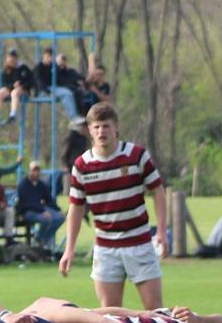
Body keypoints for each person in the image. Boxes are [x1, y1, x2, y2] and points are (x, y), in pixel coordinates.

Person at [59, 102, 168, 309]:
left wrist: (161, 231)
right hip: (106, 248)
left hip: (139, 243)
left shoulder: (136, 156)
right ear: (89, 131)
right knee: (111, 315)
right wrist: (69, 249)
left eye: (106, 126)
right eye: (97, 127)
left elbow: (158, 191)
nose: (102, 131)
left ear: (116, 127)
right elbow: (76, 207)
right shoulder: (82, 165)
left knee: (156, 312)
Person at [16, 161, 65, 252]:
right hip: (28, 211)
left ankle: (43, 239)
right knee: (46, 219)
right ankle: (39, 239)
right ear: (29, 171)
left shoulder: (41, 185)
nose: (35, 173)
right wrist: (42, 211)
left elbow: (49, 200)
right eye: (33, 170)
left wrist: (57, 210)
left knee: (60, 218)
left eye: (37, 170)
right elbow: (27, 203)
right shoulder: (23, 185)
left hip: (41, 209)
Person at [34, 48, 81, 120]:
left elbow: (60, 79)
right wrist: (47, 92)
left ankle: (73, 114)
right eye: (48, 56)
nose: (50, 59)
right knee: (66, 94)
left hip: (53, 88)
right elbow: (39, 82)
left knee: (69, 93)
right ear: (44, 56)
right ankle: (73, 117)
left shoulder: (53, 66)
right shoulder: (38, 67)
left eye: (51, 57)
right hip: (43, 91)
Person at [0, 48, 36, 126]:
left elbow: (31, 82)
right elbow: (4, 84)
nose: (10, 62)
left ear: (16, 59)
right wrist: (12, 85)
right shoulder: (6, 70)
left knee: (15, 93)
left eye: (12, 59)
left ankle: (13, 115)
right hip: (10, 89)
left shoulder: (24, 68)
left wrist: (21, 85)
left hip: (23, 91)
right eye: (9, 59)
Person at [53, 117, 89, 199]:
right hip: (69, 167)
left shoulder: (83, 138)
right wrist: (64, 165)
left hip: (80, 167)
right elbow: (65, 152)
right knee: (69, 189)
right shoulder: (71, 136)